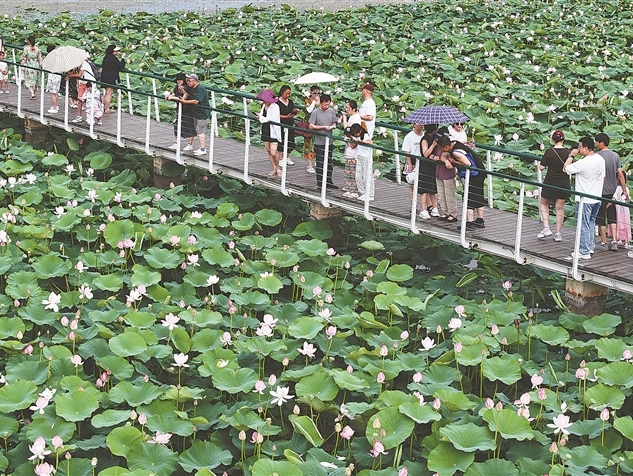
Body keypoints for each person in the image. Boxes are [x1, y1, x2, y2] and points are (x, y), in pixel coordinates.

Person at [563, 136, 606, 260]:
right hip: (596, 197)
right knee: (590, 223)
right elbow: (603, 177)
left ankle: (584, 251)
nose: (578, 148)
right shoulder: (600, 159)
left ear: (586, 148)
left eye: (580, 146)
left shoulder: (583, 162)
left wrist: (571, 155)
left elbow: (565, 169)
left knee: (583, 224)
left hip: (584, 199)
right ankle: (590, 246)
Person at [438, 136, 487, 230]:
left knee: (469, 196)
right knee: (478, 195)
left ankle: (470, 223)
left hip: (474, 174)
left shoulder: (455, 152)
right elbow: (443, 156)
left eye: (441, 148)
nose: (441, 150)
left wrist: (454, 161)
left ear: (446, 147)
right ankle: (480, 220)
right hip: (480, 171)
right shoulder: (455, 143)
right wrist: (446, 161)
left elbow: (468, 164)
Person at [537, 130, 572, 242]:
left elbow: (541, 167)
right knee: (560, 208)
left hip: (550, 181)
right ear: (563, 139)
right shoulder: (569, 153)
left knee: (543, 203)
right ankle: (558, 233)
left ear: (553, 140)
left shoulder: (549, 152)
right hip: (564, 183)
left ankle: (546, 228)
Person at [595, 132, 627, 251]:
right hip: (613, 192)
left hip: (600, 191)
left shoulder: (596, 156)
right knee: (612, 216)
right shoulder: (615, 156)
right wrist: (624, 190)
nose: (596, 144)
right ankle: (614, 241)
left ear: (601, 143)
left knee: (601, 216)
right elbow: (620, 174)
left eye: (597, 142)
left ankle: (603, 242)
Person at [309, 93, 338, 189]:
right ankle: (320, 183)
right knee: (320, 163)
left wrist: (333, 126)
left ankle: (329, 181)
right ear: (321, 103)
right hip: (319, 142)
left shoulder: (331, 111)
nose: (327, 106)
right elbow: (311, 126)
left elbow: (334, 121)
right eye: (325, 104)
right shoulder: (315, 112)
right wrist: (323, 127)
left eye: (328, 104)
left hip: (329, 141)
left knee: (329, 163)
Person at [180, 73, 210, 156]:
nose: (188, 82)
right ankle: (191, 145)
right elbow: (185, 91)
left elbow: (196, 101)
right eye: (187, 81)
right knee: (195, 128)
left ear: (195, 81)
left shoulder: (200, 88)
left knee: (200, 130)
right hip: (195, 112)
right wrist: (181, 92)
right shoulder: (190, 87)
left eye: (190, 81)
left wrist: (184, 101)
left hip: (202, 113)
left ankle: (203, 149)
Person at [254, 89, 282, 177]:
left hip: (273, 131)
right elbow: (262, 115)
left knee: (273, 152)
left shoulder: (276, 107)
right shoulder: (264, 106)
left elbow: (272, 119)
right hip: (265, 129)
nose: (265, 102)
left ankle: (278, 168)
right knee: (269, 151)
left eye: (266, 100)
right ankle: (274, 168)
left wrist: (261, 118)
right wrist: (259, 116)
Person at [167, 73, 195, 150]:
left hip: (188, 109)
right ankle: (176, 142)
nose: (179, 81)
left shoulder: (187, 88)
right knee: (177, 125)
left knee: (190, 126)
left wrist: (173, 98)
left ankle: (190, 144)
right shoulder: (176, 87)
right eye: (178, 80)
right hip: (180, 109)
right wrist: (169, 96)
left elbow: (183, 98)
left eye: (180, 80)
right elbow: (173, 94)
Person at [435, 126, 458, 222]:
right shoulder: (437, 146)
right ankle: (446, 211)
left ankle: (453, 213)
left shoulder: (449, 148)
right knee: (441, 194)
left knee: (449, 194)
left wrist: (445, 160)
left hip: (448, 173)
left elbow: (449, 157)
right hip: (438, 172)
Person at [419, 124, 440, 219]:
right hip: (425, 166)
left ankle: (435, 208)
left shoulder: (435, 138)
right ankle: (423, 210)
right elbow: (425, 154)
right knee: (424, 189)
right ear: (434, 130)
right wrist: (433, 145)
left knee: (433, 188)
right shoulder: (424, 139)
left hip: (433, 165)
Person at [68, 54, 96, 123]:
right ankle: (79, 116)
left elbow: (79, 74)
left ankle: (91, 117)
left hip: (89, 83)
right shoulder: (77, 65)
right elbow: (72, 73)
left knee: (90, 100)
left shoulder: (84, 63)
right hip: (82, 83)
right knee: (79, 99)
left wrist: (69, 76)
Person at [402, 123, 424, 210]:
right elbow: (407, 152)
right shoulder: (409, 136)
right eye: (419, 123)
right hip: (412, 160)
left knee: (422, 184)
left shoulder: (424, 136)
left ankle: (425, 206)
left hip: (422, 161)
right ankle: (413, 204)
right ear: (414, 124)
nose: (421, 125)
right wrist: (409, 164)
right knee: (412, 184)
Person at [342, 100, 361, 197]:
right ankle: (348, 189)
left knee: (353, 171)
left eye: (348, 108)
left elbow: (347, 129)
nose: (346, 110)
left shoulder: (356, 118)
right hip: (349, 147)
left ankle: (354, 191)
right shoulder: (353, 117)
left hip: (353, 147)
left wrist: (344, 118)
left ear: (353, 109)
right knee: (348, 171)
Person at [101, 44, 126, 114]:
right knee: (108, 94)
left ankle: (102, 108)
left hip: (105, 76)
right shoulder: (112, 58)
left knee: (107, 93)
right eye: (116, 51)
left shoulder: (106, 57)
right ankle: (107, 109)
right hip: (110, 77)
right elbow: (120, 66)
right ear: (112, 51)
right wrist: (123, 58)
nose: (118, 52)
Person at [301, 85, 321, 173]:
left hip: (318, 126)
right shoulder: (307, 100)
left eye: (318, 93)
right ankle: (309, 165)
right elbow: (309, 110)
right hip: (309, 126)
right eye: (314, 93)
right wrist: (314, 102)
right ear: (310, 92)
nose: (316, 95)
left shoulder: (321, 101)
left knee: (317, 145)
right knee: (308, 145)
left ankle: (317, 161)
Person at [276, 85, 297, 166]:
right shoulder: (277, 102)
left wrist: (295, 111)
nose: (288, 95)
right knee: (281, 140)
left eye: (289, 94)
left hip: (290, 123)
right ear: (282, 92)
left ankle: (287, 157)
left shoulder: (290, 101)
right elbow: (276, 114)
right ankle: (281, 158)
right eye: (286, 93)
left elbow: (292, 109)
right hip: (281, 123)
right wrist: (285, 117)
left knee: (290, 141)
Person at [354, 123, 374, 201]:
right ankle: (363, 193)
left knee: (367, 176)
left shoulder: (365, 135)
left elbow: (371, 142)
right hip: (359, 156)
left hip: (366, 157)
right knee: (358, 176)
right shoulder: (357, 136)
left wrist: (362, 141)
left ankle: (370, 194)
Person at [21, 35, 42, 100]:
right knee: (35, 80)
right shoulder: (38, 49)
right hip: (36, 65)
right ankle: (34, 93)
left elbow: (24, 57)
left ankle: (32, 93)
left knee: (28, 79)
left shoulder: (26, 48)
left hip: (29, 65)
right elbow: (40, 58)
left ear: (28, 41)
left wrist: (22, 64)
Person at [342, 124, 360, 198]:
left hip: (353, 157)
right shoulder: (348, 137)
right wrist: (346, 140)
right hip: (348, 156)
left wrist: (350, 139)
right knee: (347, 174)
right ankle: (348, 189)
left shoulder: (355, 138)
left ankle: (354, 191)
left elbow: (353, 146)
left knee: (353, 175)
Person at [43, 46, 61, 113]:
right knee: (55, 92)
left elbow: (45, 67)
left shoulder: (51, 58)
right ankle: (56, 106)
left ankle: (54, 108)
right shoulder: (58, 58)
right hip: (58, 76)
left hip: (53, 76)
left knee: (53, 93)